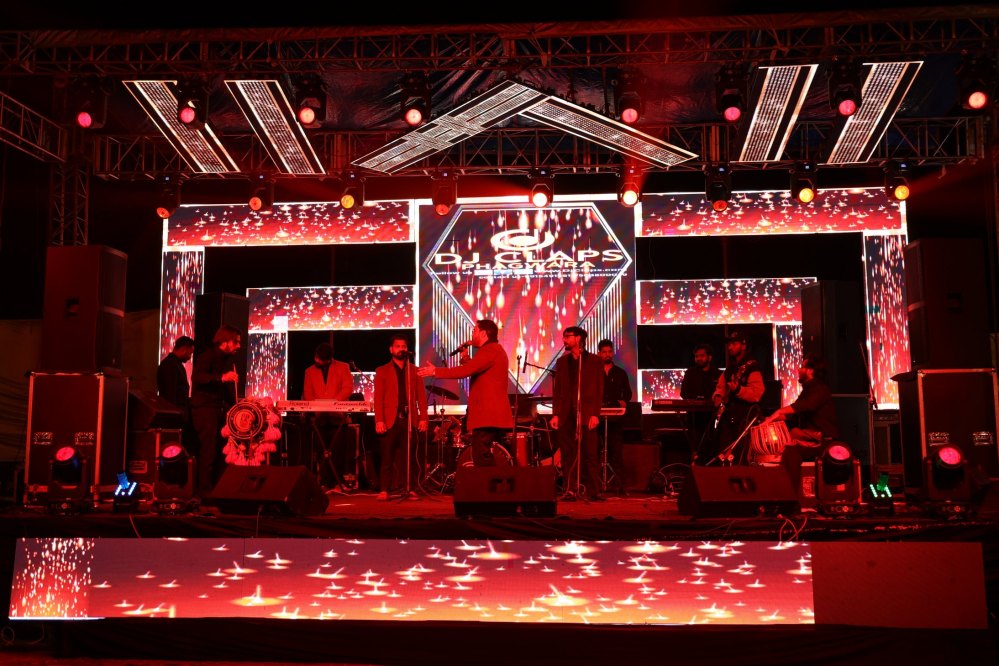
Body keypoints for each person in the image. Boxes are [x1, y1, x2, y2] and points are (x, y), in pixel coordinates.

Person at [417, 319, 513, 467]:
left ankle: (489, 482)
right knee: (482, 455)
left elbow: (467, 370)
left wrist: (436, 371)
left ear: (483, 334)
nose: (472, 335)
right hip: (489, 415)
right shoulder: (492, 350)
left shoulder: (490, 350)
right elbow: (477, 367)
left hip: (488, 415)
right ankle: (491, 480)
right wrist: (465, 357)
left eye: (474, 331)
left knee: (482, 456)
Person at [762, 354, 840, 490]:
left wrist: (777, 413)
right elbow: (791, 415)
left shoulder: (821, 389)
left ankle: (791, 495)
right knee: (788, 444)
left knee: (792, 451)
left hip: (823, 441)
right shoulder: (807, 391)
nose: (798, 369)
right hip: (811, 439)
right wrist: (766, 420)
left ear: (810, 371)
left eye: (802, 367)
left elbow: (806, 406)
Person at [551, 326, 605, 501]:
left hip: (587, 413)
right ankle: (570, 489)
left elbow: (598, 389)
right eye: (564, 336)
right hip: (566, 414)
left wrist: (595, 414)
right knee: (567, 454)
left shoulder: (594, 361)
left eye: (568, 336)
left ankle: (593, 491)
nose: (564, 340)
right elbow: (558, 390)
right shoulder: (562, 362)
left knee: (590, 454)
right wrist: (556, 413)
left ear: (579, 338)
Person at [372, 334, 428, 500]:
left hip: (409, 419)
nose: (401, 349)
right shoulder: (382, 371)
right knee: (387, 456)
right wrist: (379, 420)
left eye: (404, 346)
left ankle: (409, 488)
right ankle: (384, 489)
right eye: (397, 346)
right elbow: (378, 398)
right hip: (390, 419)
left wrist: (423, 418)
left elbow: (421, 397)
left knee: (408, 457)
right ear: (391, 349)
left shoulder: (415, 371)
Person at [189, 325, 242, 498]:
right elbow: (197, 377)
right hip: (204, 409)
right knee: (208, 450)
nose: (239, 346)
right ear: (225, 341)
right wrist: (221, 377)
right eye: (236, 342)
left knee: (222, 450)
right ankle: (204, 492)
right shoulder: (208, 356)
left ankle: (218, 489)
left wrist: (237, 405)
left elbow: (223, 389)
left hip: (217, 409)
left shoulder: (227, 361)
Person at [705, 330, 764, 465]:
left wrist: (738, 390)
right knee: (724, 457)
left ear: (744, 345)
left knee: (740, 458)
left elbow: (757, 394)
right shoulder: (731, 368)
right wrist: (718, 396)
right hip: (728, 419)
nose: (730, 347)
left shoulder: (753, 367)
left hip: (745, 421)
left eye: (734, 344)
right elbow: (720, 386)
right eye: (729, 344)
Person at [301, 342, 355, 485]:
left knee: (338, 450)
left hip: (337, 417)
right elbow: (307, 393)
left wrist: (333, 403)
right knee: (321, 450)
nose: (316, 360)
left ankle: (337, 482)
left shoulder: (343, 367)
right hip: (319, 417)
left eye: (320, 359)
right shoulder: (309, 371)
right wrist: (318, 406)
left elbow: (347, 388)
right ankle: (325, 482)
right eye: (316, 357)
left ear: (329, 359)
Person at [596, 339, 631, 496]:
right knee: (594, 452)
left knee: (616, 452)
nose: (607, 354)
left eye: (609, 351)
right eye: (604, 352)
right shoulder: (594, 372)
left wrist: (623, 401)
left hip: (615, 418)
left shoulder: (620, 373)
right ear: (599, 353)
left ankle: (620, 487)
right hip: (596, 417)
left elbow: (628, 393)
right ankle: (594, 486)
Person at [679, 343, 722, 456]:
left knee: (710, 443)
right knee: (694, 443)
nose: (698, 358)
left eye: (702, 356)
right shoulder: (690, 373)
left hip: (711, 415)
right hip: (693, 416)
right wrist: (696, 400)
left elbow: (721, 392)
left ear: (709, 357)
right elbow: (683, 393)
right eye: (696, 356)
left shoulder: (717, 373)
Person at [157, 335, 195, 416]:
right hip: (174, 413)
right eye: (190, 353)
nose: (190, 357)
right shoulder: (170, 365)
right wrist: (173, 414)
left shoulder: (173, 364)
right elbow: (170, 393)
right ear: (183, 349)